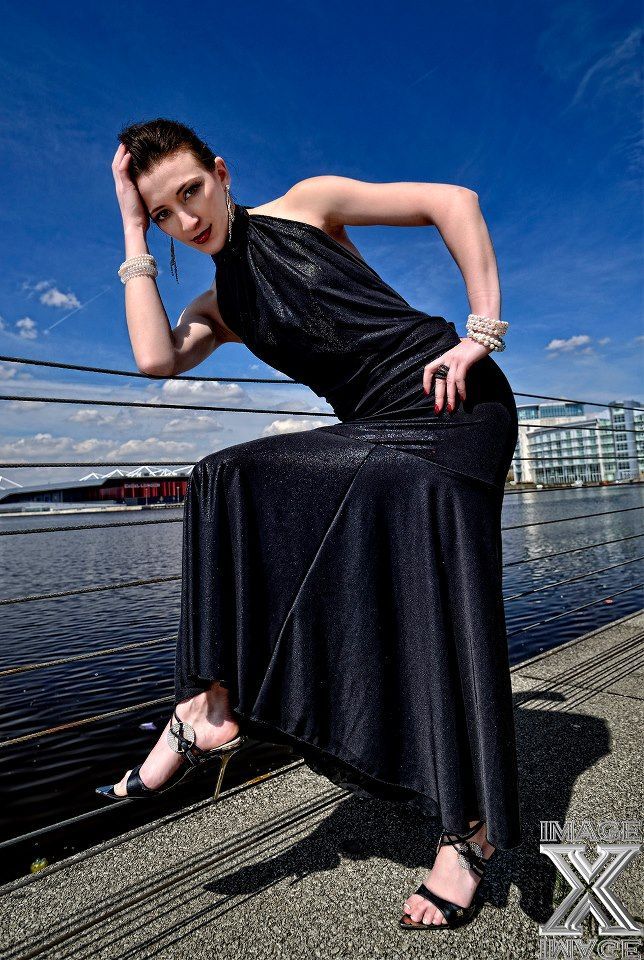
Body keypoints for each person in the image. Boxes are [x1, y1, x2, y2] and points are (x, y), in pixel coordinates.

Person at [96, 118, 521, 931]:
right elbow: (154, 358)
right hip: (377, 434)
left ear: (221, 172)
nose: (187, 219)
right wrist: (129, 227)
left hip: (453, 400)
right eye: (163, 214)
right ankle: (208, 705)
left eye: (192, 191)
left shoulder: (307, 203)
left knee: (434, 592)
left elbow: (454, 201)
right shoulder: (219, 306)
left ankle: (468, 835)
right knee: (222, 474)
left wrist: (481, 334)